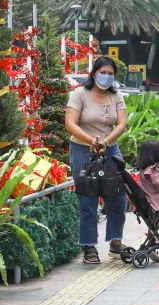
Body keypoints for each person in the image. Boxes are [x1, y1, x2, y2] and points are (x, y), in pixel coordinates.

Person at [66, 56, 128, 264]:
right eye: (103, 73)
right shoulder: (79, 94)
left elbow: (121, 124)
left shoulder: (116, 95)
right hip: (82, 151)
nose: (107, 77)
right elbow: (70, 123)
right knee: (88, 200)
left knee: (119, 198)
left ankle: (116, 242)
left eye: (111, 74)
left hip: (110, 150)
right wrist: (91, 140)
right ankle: (89, 246)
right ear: (94, 74)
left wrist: (106, 142)